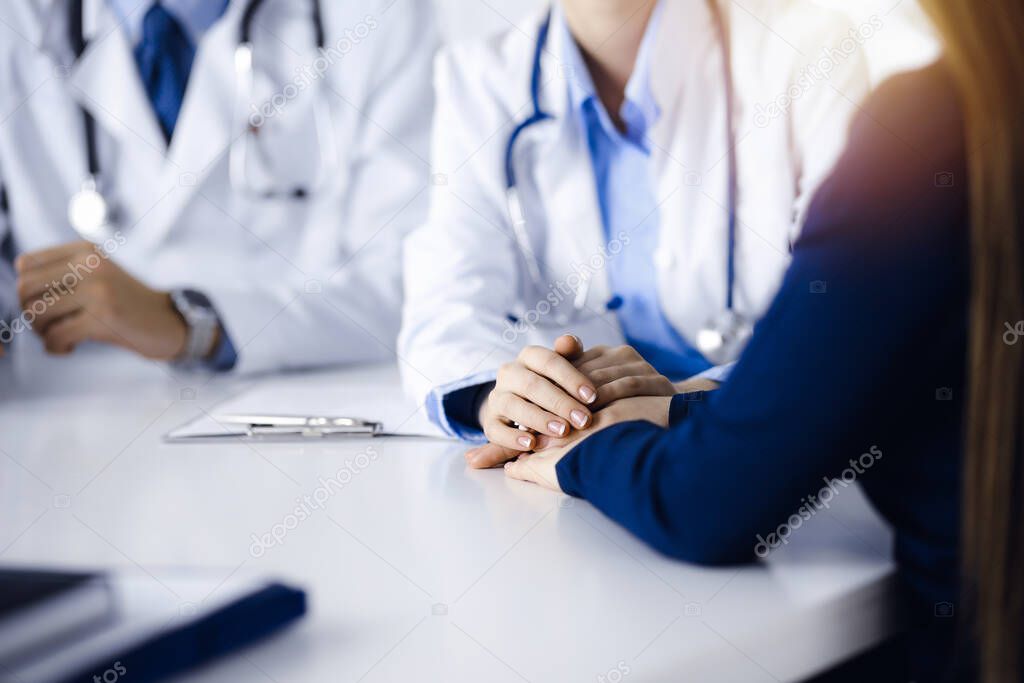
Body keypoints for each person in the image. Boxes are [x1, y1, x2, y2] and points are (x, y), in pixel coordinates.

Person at [497, 0, 1024, 678]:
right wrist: (683, 407)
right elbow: (883, 361)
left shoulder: (935, 124)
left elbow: (709, 505)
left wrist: (585, 448)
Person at [398, 0, 869, 455]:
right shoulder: (480, 76)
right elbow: (444, 315)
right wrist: (505, 402)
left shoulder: (809, 46)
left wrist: (690, 399)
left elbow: (853, 308)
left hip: (770, 451)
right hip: (579, 451)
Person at [0, 0, 435, 378]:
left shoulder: (374, 15)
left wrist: (191, 324)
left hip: (297, 403)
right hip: (60, 415)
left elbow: (407, 289)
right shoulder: (17, 21)